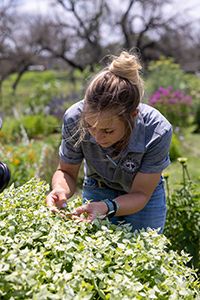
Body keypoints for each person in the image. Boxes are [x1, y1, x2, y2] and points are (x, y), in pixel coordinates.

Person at [46, 51, 172, 233]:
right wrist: (60, 190)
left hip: (142, 196)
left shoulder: (156, 130)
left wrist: (108, 207)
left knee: (141, 254)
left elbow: (141, 193)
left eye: (107, 130)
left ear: (132, 116)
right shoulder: (74, 117)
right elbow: (66, 172)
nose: (97, 137)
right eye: (90, 126)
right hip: (98, 187)